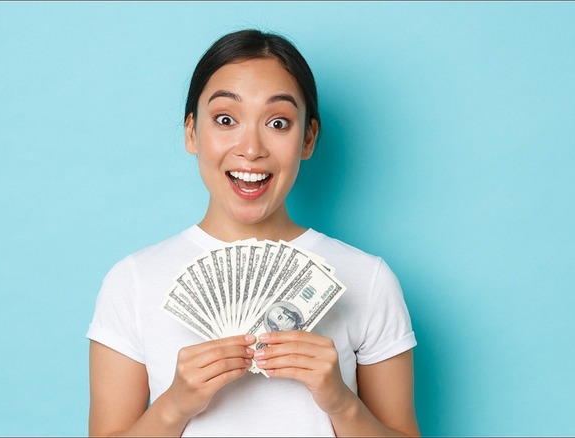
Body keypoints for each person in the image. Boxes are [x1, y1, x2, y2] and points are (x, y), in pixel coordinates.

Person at [87, 29, 419, 437]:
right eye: (225, 119)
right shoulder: (132, 281)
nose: (251, 148)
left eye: (278, 122)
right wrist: (175, 406)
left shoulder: (368, 279)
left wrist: (340, 402)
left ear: (308, 138)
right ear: (191, 132)